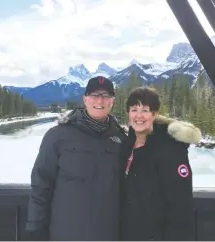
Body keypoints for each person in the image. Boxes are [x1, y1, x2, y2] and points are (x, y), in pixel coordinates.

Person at [25, 76, 201, 241]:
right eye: (94, 95)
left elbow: (174, 202)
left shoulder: (121, 139)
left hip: (112, 235)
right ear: (85, 99)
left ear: (112, 101)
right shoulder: (58, 135)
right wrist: (35, 227)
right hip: (68, 234)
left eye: (106, 96)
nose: (100, 101)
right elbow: (41, 184)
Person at [119, 87, 201, 241]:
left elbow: (180, 206)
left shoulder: (170, 149)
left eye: (145, 110)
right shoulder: (126, 144)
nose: (139, 115)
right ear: (128, 113)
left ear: (154, 114)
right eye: (134, 109)